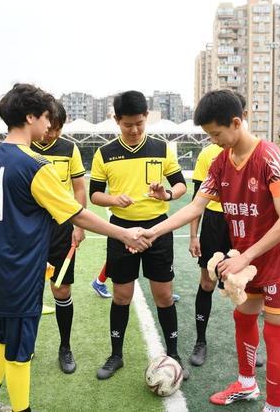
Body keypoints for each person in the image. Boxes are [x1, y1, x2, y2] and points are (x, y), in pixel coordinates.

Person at [0, 84, 150, 412]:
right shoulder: (34, 164)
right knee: (19, 352)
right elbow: (77, 213)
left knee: (3, 337)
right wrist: (124, 234)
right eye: (46, 117)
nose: (48, 125)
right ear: (31, 117)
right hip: (20, 270)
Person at [141, 90, 280, 411]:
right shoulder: (220, 162)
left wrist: (244, 256)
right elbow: (196, 207)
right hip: (250, 260)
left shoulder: (270, 158)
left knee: (275, 333)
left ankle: (273, 408)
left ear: (236, 122)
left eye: (216, 134)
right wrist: (154, 231)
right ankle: (247, 384)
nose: (213, 141)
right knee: (243, 317)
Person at [90, 90, 188, 380]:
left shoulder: (161, 148)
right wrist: (113, 199)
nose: (134, 130)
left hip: (157, 229)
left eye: (139, 123)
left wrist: (166, 194)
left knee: (164, 296)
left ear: (146, 118)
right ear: (116, 120)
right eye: (127, 124)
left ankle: (174, 355)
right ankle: (116, 355)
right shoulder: (104, 153)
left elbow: (181, 185)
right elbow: (95, 194)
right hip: (121, 231)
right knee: (122, 296)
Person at [188, 92, 249, 366]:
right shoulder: (209, 154)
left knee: (245, 286)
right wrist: (193, 235)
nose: (215, 139)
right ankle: (200, 341)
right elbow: (196, 199)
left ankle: (249, 343)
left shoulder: (256, 152)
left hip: (242, 223)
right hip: (214, 223)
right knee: (207, 283)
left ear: (241, 119)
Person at [31, 101, 86, 374]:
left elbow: (79, 189)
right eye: (50, 127)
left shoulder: (69, 149)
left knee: (61, 289)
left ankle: (65, 347)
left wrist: (79, 225)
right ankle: (26, 344)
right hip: (30, 229)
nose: (52, 134)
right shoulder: (25, 147)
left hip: (61, 228)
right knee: (29, 290)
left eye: (58, 128)